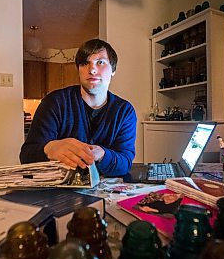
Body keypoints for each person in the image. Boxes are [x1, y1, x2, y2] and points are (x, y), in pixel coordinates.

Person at [19, 39, 137, 176]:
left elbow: (125, 163)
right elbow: (26, 156)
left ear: (113, 70)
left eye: (100, 62)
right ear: (79, 69)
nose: (92, 69)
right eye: (85, 63)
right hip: (57, 191)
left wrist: (103, 155)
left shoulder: (124, 111)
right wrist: (49, 148)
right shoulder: (53, 103)